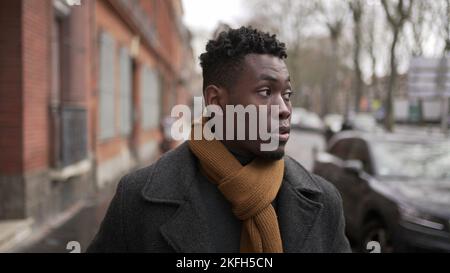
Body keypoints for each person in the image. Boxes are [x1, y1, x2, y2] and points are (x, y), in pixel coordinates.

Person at [87, 26, 351, 253]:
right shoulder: (137, 199)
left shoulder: (325, 202)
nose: (284, 108)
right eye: (265, 91)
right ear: (215, 101)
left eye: (287, 94)